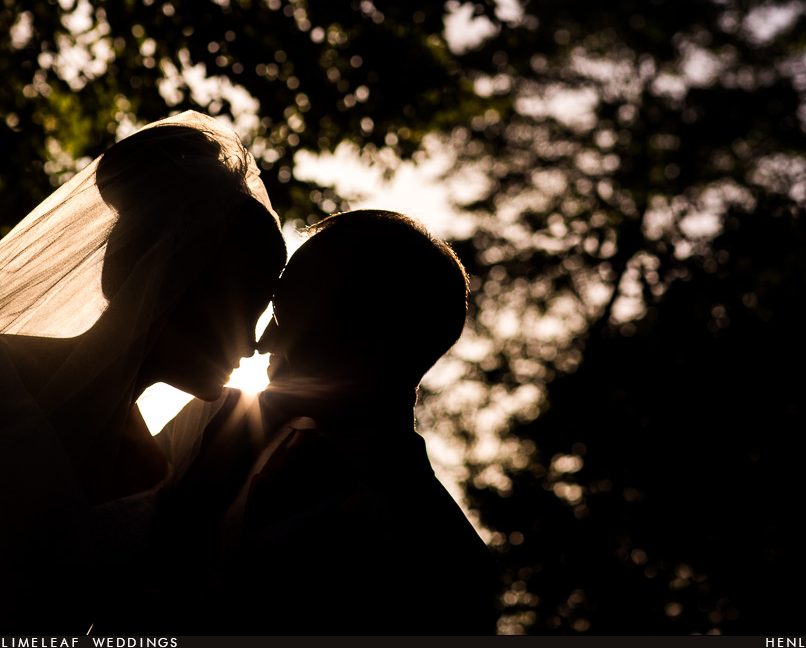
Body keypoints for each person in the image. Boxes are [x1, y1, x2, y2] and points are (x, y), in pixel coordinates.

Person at [0, 109, 286, 627]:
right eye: (245, 310)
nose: (252, 345)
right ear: (176, 290)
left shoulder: (156, 473)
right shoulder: (5, 373)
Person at [161, 209, 497, 633]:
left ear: (373, 345)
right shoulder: (218, 417)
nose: (263, 341)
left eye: (288, 318)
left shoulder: (446, 560)